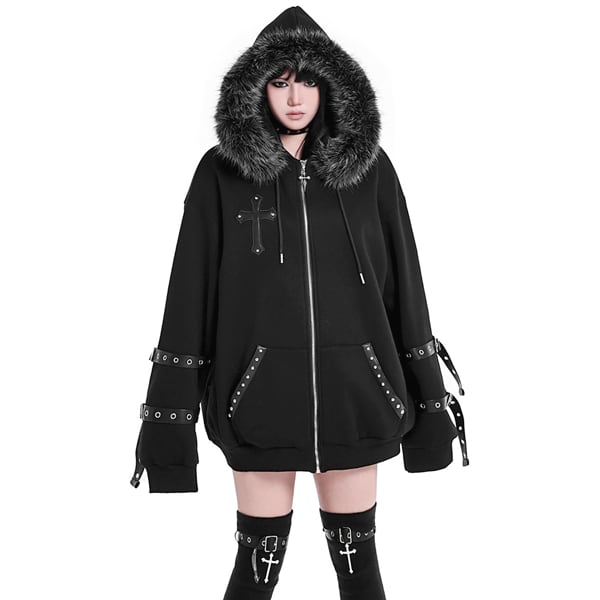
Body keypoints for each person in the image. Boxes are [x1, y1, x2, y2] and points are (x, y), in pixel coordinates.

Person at [129, 6, 470, 600]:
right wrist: (167, 428)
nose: (295, 97)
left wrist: (429, 408)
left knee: (360, 577)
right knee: (255, 576)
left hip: (357, 401)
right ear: (256, 88)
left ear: (332, 86)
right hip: (257, 406)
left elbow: (405, 288)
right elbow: (189, 296)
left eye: (308, 80)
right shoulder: (220, 174)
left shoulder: (369, 171)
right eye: (280, 81)